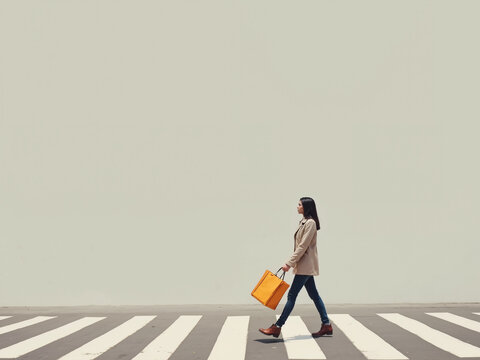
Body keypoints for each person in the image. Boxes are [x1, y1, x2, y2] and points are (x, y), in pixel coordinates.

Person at [259, 197, 332, 338]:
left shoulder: (310, 223)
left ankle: (277, 326)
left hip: (305, 266)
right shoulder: (304, 222)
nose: (297, 207)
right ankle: (326, 325)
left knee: (292, 295)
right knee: (314, 295)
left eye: (299, 204)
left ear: (306, 207)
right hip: (304, 266)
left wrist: (289, 263)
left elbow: (302, 246)